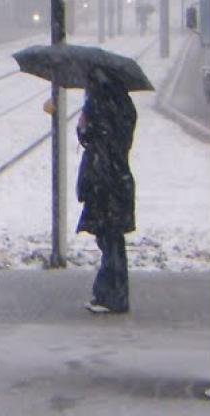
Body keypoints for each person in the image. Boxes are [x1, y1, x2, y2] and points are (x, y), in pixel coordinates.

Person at [76, 64, 137, 314]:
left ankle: (111, 296)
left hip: (104, 182)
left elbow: (94, 139)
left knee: (109, 241)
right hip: (118, 179)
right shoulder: (123, 105)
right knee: (112, 239)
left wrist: (84, 126)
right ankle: (111, 294)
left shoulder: (99, 106)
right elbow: (115, 140)